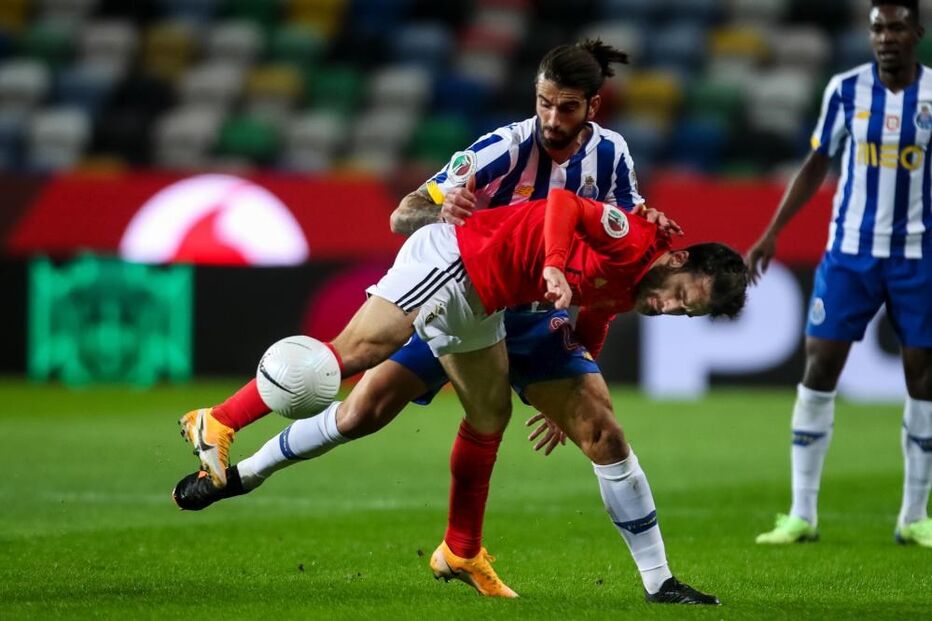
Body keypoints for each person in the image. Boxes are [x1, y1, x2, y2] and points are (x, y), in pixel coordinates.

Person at [173, 40, 726, 604]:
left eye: (566, 108)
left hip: (532, 311)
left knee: (570, 426)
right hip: (464, 274)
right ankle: (235, 454)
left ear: (593, 107)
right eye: (543, 104)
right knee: (365, 406)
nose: (552, 120)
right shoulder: (502, 149)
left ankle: (623, 577)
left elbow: (623, 238)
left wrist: (637, 235)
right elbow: (403, 213)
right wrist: (441, 208)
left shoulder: (612, 156)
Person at [750, 0, 932, 548]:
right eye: (878, 27)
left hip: (918, 256)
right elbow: (816, 164)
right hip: (849, 255)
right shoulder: (845, 90)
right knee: (819, 364)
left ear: (916, 33)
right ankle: (801, 513)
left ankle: (914, 516)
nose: (886, 37)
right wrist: (772, 230)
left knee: (924, 378)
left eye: (897, 26)